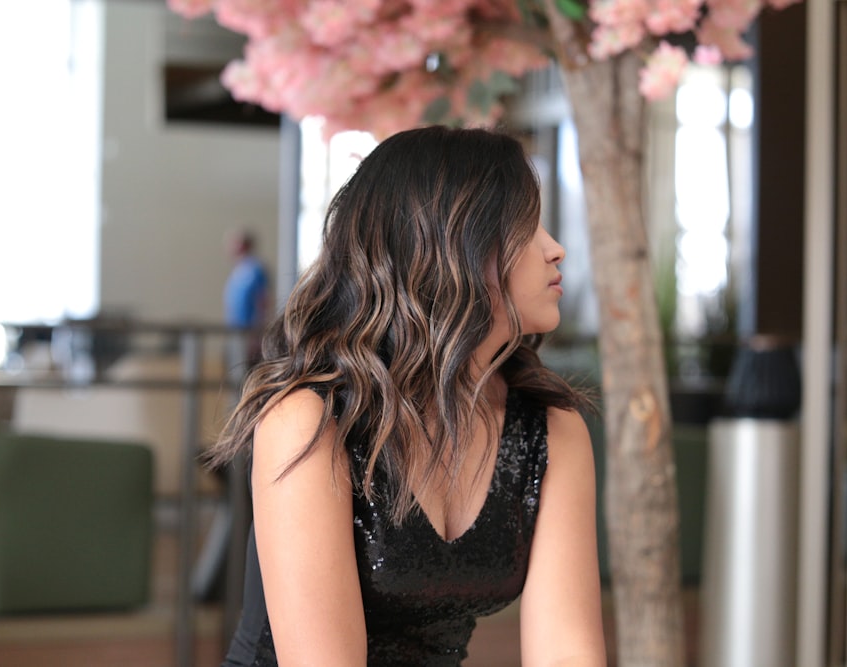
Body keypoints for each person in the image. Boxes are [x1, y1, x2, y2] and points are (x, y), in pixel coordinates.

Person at [211, 125, 607, 666]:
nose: (556, 249)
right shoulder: (309, 420)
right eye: (527, 226)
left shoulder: (550, 430)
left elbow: (568, 653)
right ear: (449, 244)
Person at [224, 229, 271, 371]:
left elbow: (262, 300)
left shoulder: (255, 269)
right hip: (236, 329)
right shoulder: (238, 270)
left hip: (250, 331)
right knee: (235, 370)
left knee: (247, 370)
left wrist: (257, 334)